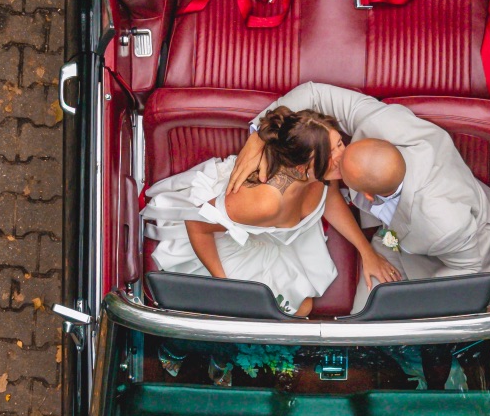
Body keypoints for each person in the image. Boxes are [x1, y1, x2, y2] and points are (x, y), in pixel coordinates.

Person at [228, 83, 490, 312]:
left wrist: (410, 309)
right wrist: (258, 137)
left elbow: (472, 272)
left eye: (338, 166)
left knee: (406, 319)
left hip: (459, 253)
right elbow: (314, 93)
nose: (333, 158)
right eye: (341, 146)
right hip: (393, 238)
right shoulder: (384, 124)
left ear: (367, 196)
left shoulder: (445, 227)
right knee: (362, 317)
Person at [141, 107, 399, 318]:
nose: (342, 157)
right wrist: (225, 285)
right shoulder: (265, 202)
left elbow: (328, 197)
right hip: (225, 238)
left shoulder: (318, 172)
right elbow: (196, 224)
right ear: (301, 170)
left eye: (340, 143)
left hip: (271, 234)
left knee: (302, 307)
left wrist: (367, 252)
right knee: (290, 310)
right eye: (330, 155)